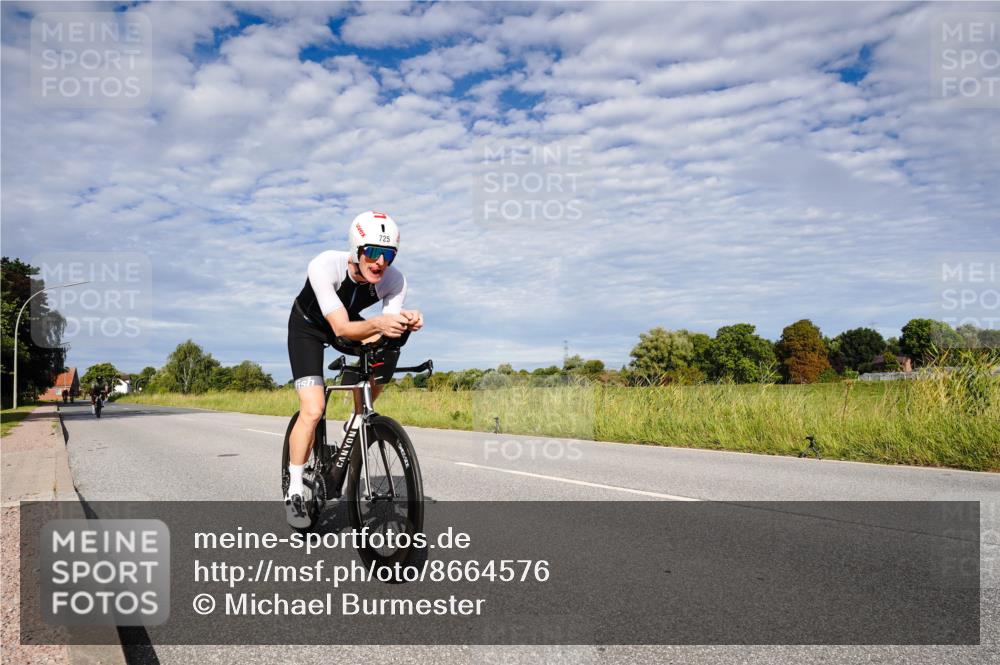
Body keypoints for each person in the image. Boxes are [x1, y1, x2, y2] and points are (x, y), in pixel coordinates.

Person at [285, 211, 423, 527]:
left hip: (347, 325)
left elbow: (384, 329)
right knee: (313, 409)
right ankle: (294, 491)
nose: (380, 262)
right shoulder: (324, 265)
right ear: (356, 250)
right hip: (309, 328)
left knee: (395, 339)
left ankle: (357, 417)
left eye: (388, 255)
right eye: (373, 252)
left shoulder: (394, 280)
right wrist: (380, 323)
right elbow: (343, 328)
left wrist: (406, 322)